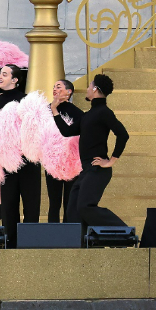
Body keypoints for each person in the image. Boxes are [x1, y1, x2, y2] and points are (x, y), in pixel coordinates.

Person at [52, 73, 129, 238]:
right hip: (86, 170)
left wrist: (111, 161)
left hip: (97, 169)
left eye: (89, 86)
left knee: (85, 206)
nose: (86, 89)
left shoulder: (104, 112)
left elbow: (123, 135)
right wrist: (54, 110)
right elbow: (67, 132)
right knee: (73, 210)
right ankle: (84, 246)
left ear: (94, 89)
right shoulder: (88, 115)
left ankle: (124, 233)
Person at [0, 64, 35, 248]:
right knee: (9, 204)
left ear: (15, 79)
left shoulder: (26, 100)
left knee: (31, 203)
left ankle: (29, 241)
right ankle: (10, 242)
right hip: (5, 161)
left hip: (27, 159)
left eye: (4, 74)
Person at [45, 79, 82, 223]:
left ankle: (69, 238)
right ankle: (51, 238)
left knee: (69, 202)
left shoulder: (76, 112)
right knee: (53, 203)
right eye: (54, 86)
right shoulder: (45, 110)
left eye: (59, 87)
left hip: (71, 163)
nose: (55, 89)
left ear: (68, 92)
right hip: (51, 163)